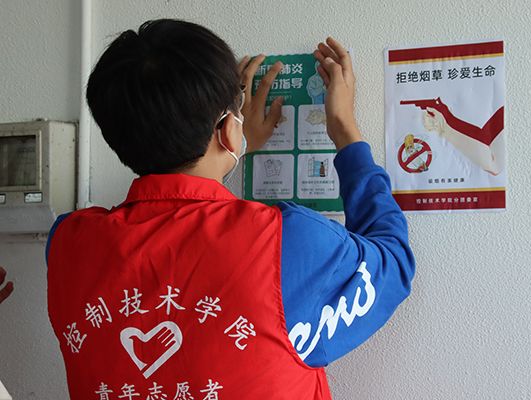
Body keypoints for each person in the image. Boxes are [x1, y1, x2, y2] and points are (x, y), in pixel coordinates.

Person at [46, 19, 415, 399]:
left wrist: (232, 145)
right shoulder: (288, 240)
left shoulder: (67, 244)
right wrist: (344, 129)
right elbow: (394, 261)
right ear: (226, 128)